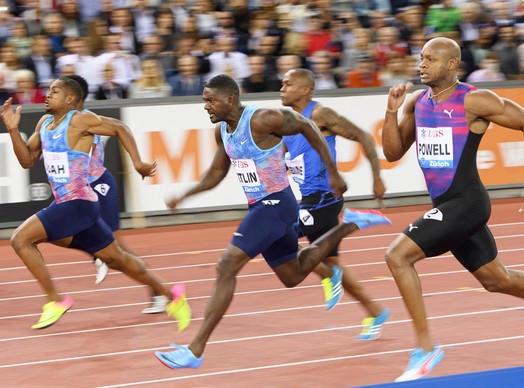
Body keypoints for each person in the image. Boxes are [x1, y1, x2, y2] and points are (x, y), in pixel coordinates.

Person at [154, 74, 391, 369]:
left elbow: (305, 125)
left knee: (226, 266)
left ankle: (195, 349)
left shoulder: (262, 120)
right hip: (261, 206)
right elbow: (216, 173)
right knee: (292, 276)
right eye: (204, 100)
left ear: (230, 99)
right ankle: (350, 224)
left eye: (210, 100)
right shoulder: (223, 132)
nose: (205, 106)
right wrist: (185, 195)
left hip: (276, 204)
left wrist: (333, 171)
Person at [381, 37, 524, 382]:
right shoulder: (418, 103)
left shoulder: (474, 100)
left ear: (452, 65)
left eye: (430, 59)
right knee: (498, 280)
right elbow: (392, 153)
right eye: (420, 58)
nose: (421, 64)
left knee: (397, 256)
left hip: (467, 202)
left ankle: (425, 348)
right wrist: (391, 111)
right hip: (446, 205)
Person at [0, 78, 191, 331]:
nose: (47, 95)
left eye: (54, 91)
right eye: (48, 91)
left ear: (69, 99)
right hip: (73, 206)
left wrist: (137, 162)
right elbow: (27, 160)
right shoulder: (45, 123)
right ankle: (172, 295)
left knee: (21, 239)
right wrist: (13, 130)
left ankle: (55, 300)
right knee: (117, 259)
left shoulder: (79, 120)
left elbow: (120, 127)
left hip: (78, 203)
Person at [280, 68, 391, 339]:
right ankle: (375, 312)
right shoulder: (286, 121)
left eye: (288, 84)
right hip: (308, 198)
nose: (281, 88)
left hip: (324, 199)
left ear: (305, 90)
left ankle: (352, 224)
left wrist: (377, 177)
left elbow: (363, 137)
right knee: (332, 265)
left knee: (279, 239)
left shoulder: (320, 115)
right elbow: (283, 158)